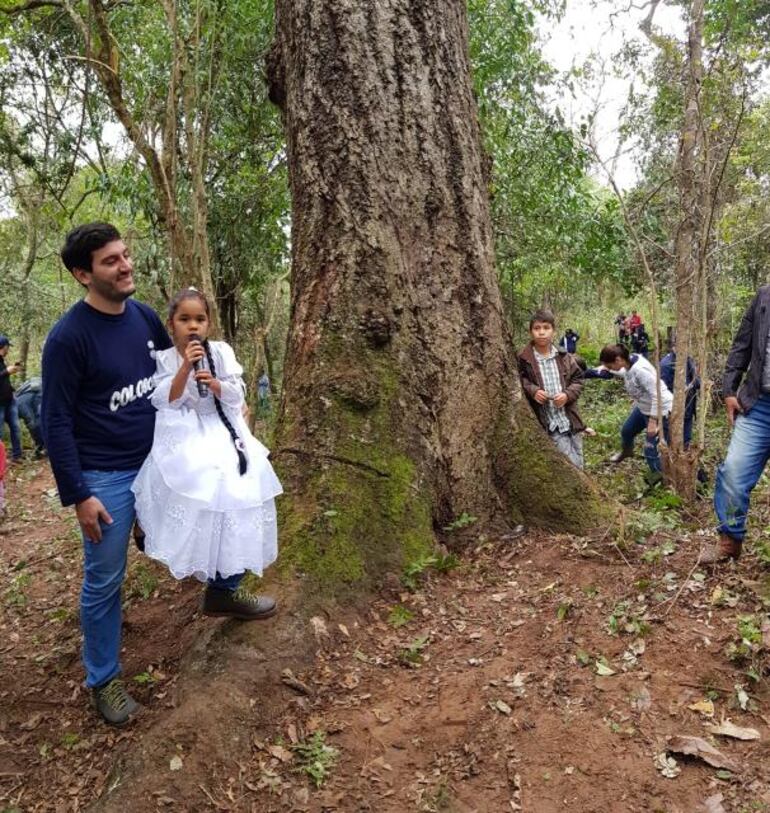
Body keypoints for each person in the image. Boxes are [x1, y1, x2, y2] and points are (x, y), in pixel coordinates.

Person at [131, 288, 283, 592]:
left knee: (236, 488)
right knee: (198, 481)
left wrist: (215, 384)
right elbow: (166, 400)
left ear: (208, 325)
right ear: (171, 323)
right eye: (184, 319)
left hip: (223, 428)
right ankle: (172, 544)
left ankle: (226, 575)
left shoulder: (221, 352)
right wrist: (186, 366)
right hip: (188, 430)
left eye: (200, 319)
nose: (193, 326)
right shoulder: (165, 359)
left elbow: (236, 395)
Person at [703, 286, 770, 563]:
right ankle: (730, 541)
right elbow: (742, 344)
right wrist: (729, 390)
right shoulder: (764, 297)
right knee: (733, 472)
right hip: (758, 403)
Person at [518, 309, 586, 469]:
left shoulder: (564, 357)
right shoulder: (524, 358)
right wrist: (533, 390)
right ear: (530, 332)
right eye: (537, 328)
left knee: (579, 459)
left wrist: (567, 395)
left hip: (571, 420)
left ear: (554, 331)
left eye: (546, 328)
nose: (541, 332)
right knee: (571, 465)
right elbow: (519, 379)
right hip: (551, 422)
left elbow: (578, 379)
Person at [598, 344, 673, 479]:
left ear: (618, 360)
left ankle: (661, 480)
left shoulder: (641, 370)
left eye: (609, 366)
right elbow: (626, 372)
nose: (609, 368)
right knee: (627, 431)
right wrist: (608, 370)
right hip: (644, 408)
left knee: (651, 450)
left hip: (660, 411)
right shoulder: (629, 362)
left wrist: (652, 421)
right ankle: (627, 452)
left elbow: (658, 395)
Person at [0, 335, 24, 462]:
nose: (8, 350)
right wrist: (6, 372)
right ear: (3, 347)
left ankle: (17, 456)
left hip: (10, 401)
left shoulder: (2, 360)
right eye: (7, 347)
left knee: (15, 427)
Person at [16, 377, 45, 458]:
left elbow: (31, 423)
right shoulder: (18, 403)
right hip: (37, 392)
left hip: (40, 392)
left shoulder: (19, 406)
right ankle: (41, 447)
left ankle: (42, 447)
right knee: (36, 421)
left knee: (37, 422)